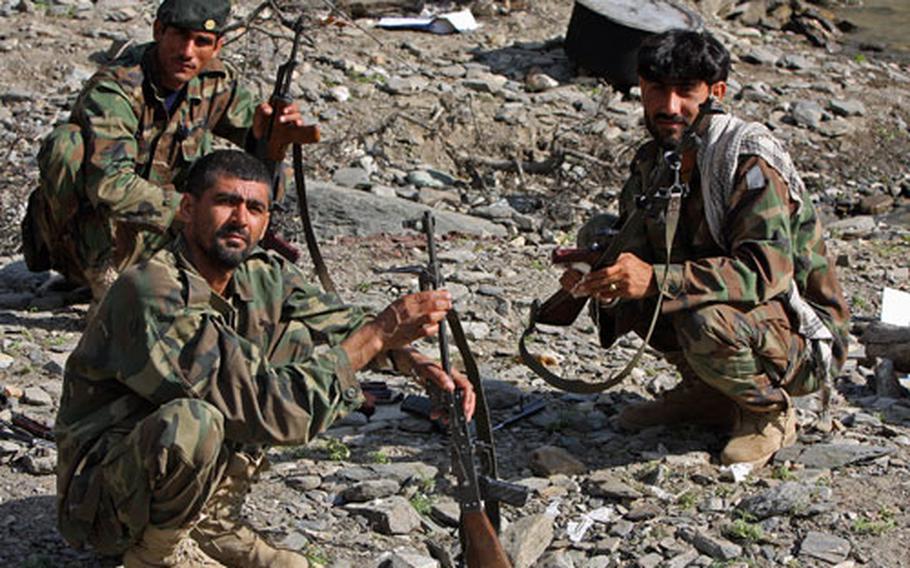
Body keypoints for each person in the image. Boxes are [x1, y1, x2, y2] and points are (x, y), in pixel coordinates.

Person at [54, 150, 476, 567]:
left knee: (292, 341)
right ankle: (157, 554)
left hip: (169, 471)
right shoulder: (153, 291)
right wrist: (381, 331)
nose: (241, 219)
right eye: (225, 203)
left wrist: (418, 364)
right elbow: (266, 409)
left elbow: (339, 324)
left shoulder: (261, 273)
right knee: (194, 421)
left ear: (267, 221)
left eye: (255, 208)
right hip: (100, 499)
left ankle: (212, 523)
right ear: (187, 208)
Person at [562, 29, 849, 468]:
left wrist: (655, 279)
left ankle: (767, 411)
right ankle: (708, 393)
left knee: (702, 315)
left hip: (801, 338)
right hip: (736, 315)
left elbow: (764, 272)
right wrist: (599, 273)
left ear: (716, 93)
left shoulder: (746, 158)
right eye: (657, 90)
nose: (669, 107)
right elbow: (635, 246)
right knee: (601, 236)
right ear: (640, 87)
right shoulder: (655, 160)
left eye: (685, 92)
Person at [21, 0, 313, 302]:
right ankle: (98, 274)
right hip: (88, 238)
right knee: (67, 146)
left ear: (217, 46)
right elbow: (111, 185)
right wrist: (194, 210)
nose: (187, 52)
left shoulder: (214, 83)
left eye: (201, 42)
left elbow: (263, 180)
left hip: (160, 232)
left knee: (227, 171)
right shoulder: (116, 89)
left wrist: (272, 143)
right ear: (158, 31)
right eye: (180, 36)